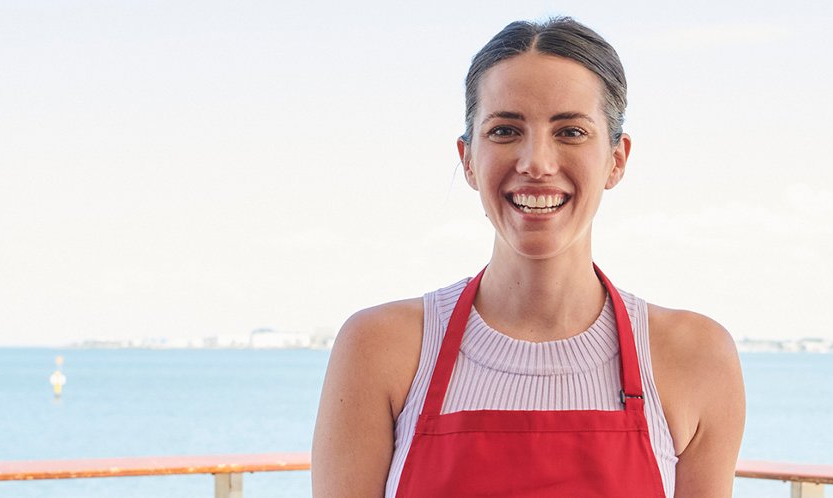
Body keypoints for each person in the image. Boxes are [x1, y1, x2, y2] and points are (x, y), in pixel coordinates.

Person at [312, 17, 745, 498]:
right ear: (468, 160)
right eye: (504, 130)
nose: (536, 162)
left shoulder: (696, 357)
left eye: (572, 132)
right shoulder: (378, 349)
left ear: (617, 160)